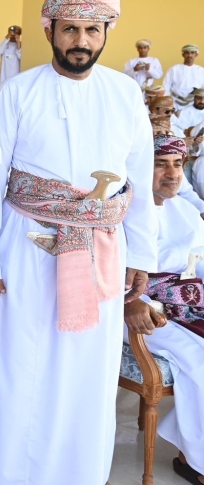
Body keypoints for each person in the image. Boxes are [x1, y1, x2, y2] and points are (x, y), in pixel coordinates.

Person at [0, 0, 157, 485]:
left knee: (87, 372)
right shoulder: (17, 91)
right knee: (21, 364)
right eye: (70, 28)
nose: (81, 40)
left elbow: (138, 180)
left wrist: (141, 253)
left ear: (104, 34)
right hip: (27, 247)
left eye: (92, 30)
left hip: (103, 252)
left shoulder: (124, 92)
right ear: (50, 31)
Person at [124, 134, 204, 485]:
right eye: (160, 164)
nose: (172, 173)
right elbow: (105, 271)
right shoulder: (123, 211)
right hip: (137, 310)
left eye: (177, 164)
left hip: (186, 303)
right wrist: (132, 303)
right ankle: (197, 460)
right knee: (197, 358)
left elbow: (198, 264)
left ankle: (190, 446)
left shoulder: (185, 210)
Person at [165, 44, 204, 110]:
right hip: (176, 102)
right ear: (183, 54)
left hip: (193, 104)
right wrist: (168, 102)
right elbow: (166, 86)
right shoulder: (174, 69)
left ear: (196, 55)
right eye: (187, 53)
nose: (189, 55)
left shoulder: (201, 70)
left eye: (192, 53)